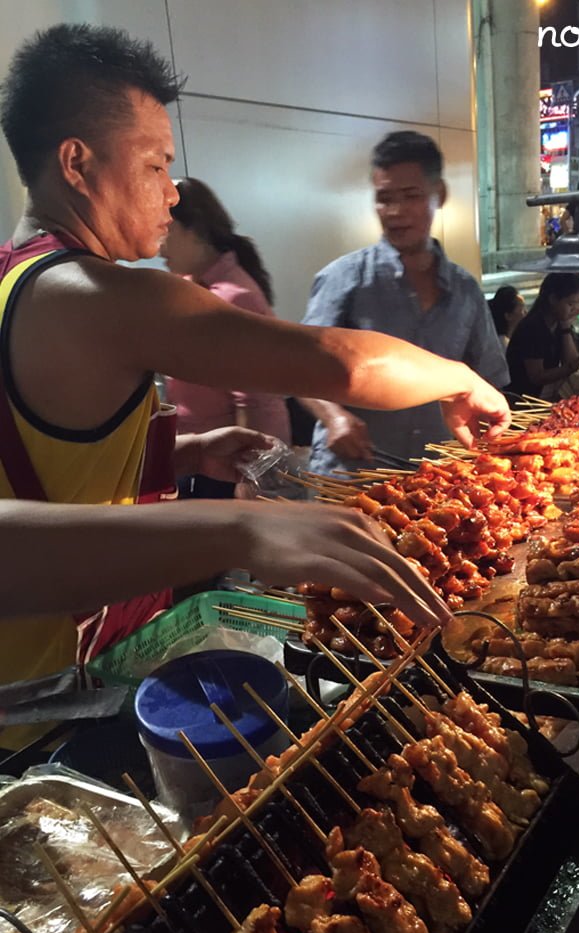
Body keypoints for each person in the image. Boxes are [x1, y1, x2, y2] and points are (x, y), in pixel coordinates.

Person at [0, 23, 510, 688]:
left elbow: (38, 466)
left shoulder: (16, 277)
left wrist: (182, 452)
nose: (173, 191)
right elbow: (342, 365)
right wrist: (457, 375)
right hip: (52, 692)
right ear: (77, 163)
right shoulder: (96, 292)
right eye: (155, 164)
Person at [298, 130, 510, 475]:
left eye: (410, 196)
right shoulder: (344, 279)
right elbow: (299, 370)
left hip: (434, 477)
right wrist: (334, 417)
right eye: (384, 198)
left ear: (438, 195)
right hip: (352, 476)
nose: (395, 212)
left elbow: (489, 377)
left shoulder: (466, 290)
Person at [161, 176, 291, 499]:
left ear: (194, 230)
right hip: (196, 457)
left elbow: (254, 401)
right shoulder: (195, 286)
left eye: (166, 230)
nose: (158, 244)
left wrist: (246, 483)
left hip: (221, 468)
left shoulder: (232, 297)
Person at [506, 273, 579, 399]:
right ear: (553, 299)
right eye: (570, 304)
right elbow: (537, 376)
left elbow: (570, 361)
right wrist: (571, 367)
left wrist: (565, 326)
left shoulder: (559, 323)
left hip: (543, 396)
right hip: (523, 401)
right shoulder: (533, 327)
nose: (576, 309)